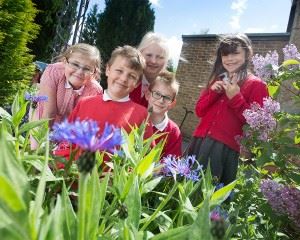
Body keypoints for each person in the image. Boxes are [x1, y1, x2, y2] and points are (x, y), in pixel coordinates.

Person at [187, 33, 269, 185]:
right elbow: (199, 111)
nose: (230, 58)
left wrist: (236, 98)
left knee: (206, 196)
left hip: (223, 149)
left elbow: (257, 125)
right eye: (225, 54)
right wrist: (212, 93)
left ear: (247, 53)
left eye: (235, 53)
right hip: (198, 142)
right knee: (182, 187)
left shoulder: (257, 85)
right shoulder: (218, 80)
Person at [67, 45, 153, 139]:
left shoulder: (142, 115)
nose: (124, 78)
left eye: (132, 76)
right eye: (119, 71)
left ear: (137, 83)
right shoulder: (84, 103)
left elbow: (147, 151)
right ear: (108, 70)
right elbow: (67, 140)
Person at [34, 43, 103, 127]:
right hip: (42, 118)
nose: (79, 72)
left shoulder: (95, 91)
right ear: (65, 62)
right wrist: (41, 139)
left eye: (87, 69)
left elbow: (81, 124)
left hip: (68, 130)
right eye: (75, 64)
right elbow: (49, 113)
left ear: (94, 72)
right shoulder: (54, 72)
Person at [146, 70, 182, 159]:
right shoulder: (136, 119)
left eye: (167, 97)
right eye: (157, 94)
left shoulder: (173, 131)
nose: (161, 100)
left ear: (172, 104)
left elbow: (171, 164)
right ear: (147, 94)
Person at [130, 32, 170, 108]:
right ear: (140, 54)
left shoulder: (166, 88)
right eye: (149, 55)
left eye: (160, 57)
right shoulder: (128, 80)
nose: (153, 61)